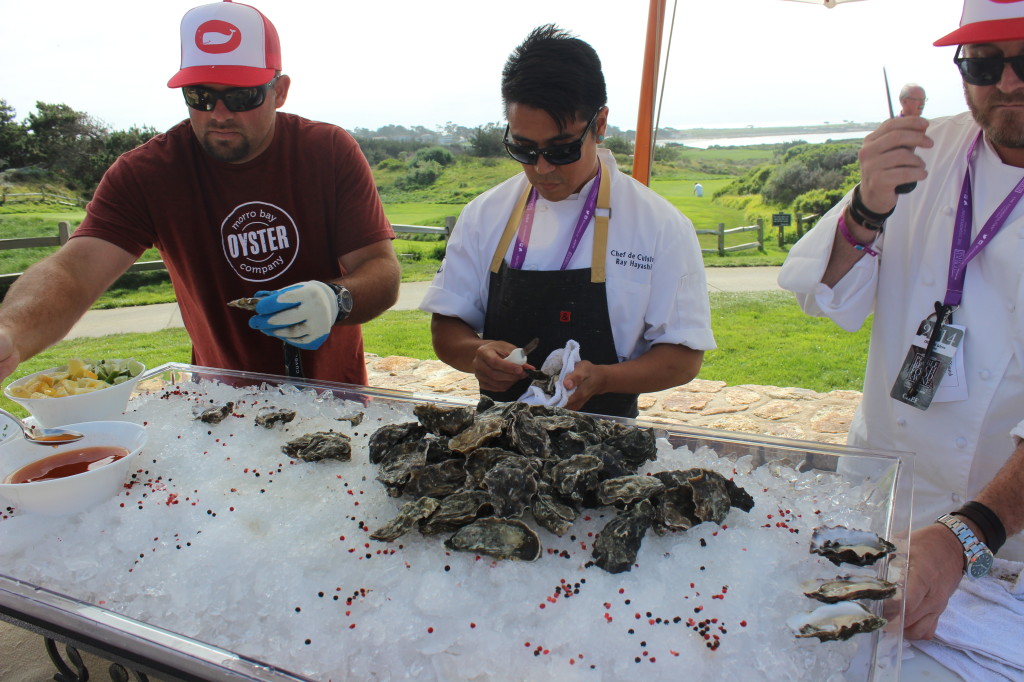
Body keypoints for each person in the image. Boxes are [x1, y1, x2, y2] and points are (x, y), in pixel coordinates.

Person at [779, 0, 1024, 641]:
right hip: (883, 497)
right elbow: (824, 293)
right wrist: (867, 207)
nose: (1007, 82)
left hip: (1011, 535)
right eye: (984, 61)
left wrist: (967, 534)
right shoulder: (926, 148)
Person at [0, 0, 399, 385]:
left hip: (335, 396)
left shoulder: (327, 151)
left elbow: (381, 270)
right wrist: (10, 333)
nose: (219, 113)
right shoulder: (148, 173)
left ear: (279, 91)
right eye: (200, 96)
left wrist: (334, 299)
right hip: (221, 402)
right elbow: (74, 271)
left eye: (243, 96)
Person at [420, 25, 714, 419]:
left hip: (607, 450)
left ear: (601, 123)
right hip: (494, 442)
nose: (541, 168)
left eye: (561, 150)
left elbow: (683, 357)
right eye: (523, 149)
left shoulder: (660, 226)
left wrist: (606, 378)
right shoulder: (484, 214)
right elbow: (447, 326)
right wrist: (477, 354)